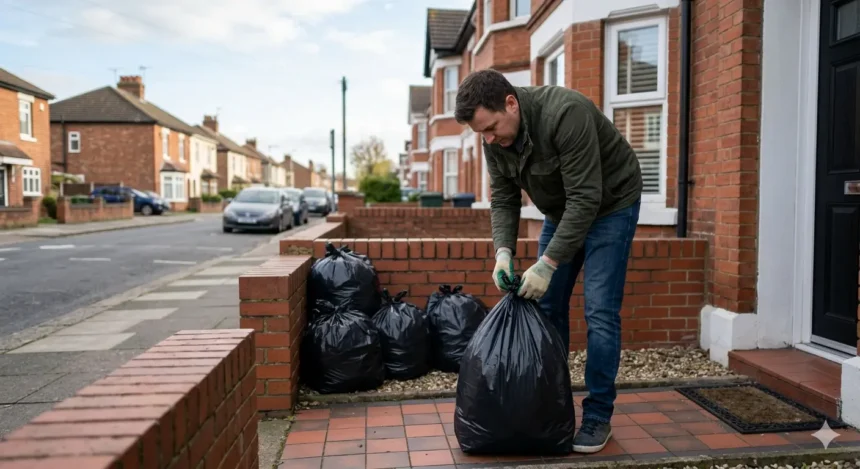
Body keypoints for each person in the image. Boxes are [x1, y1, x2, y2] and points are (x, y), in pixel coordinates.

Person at [454, 69, 642, 454]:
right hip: (561, 210)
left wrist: (548, 263)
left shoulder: (565, 113)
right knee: (547, 307)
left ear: (511, 103)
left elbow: (587, 198)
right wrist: (503, 252)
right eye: (481, 134)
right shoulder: (494, 138)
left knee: (600, 311)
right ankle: (551, 405)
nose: (488, 139)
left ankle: (597, 416)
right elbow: (505, 197)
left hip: (611, 204)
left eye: (490, 128)